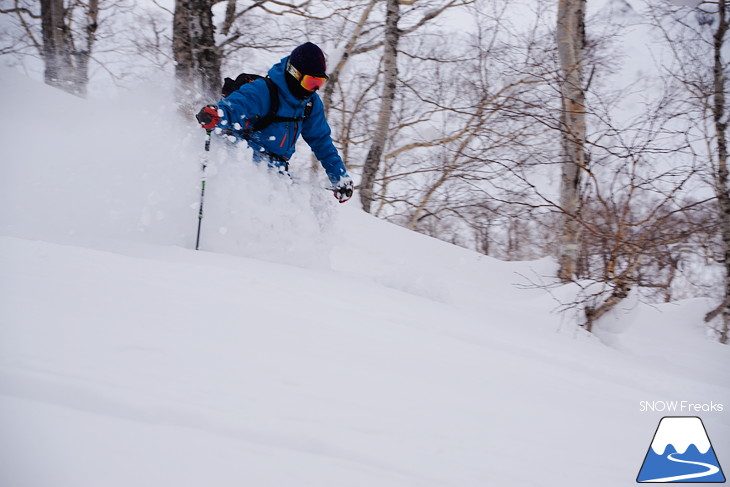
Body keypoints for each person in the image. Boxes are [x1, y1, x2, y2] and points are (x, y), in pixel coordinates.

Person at [196, 42, 354, 203]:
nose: (313, 89)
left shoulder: (310, 104)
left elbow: (321, 141)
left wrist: (339, 177)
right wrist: (217, 114)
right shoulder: (262, 91)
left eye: (319, 83)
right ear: (294, 73)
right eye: (310, 82)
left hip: (275, 173)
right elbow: (234, 107)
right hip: (241, 166)